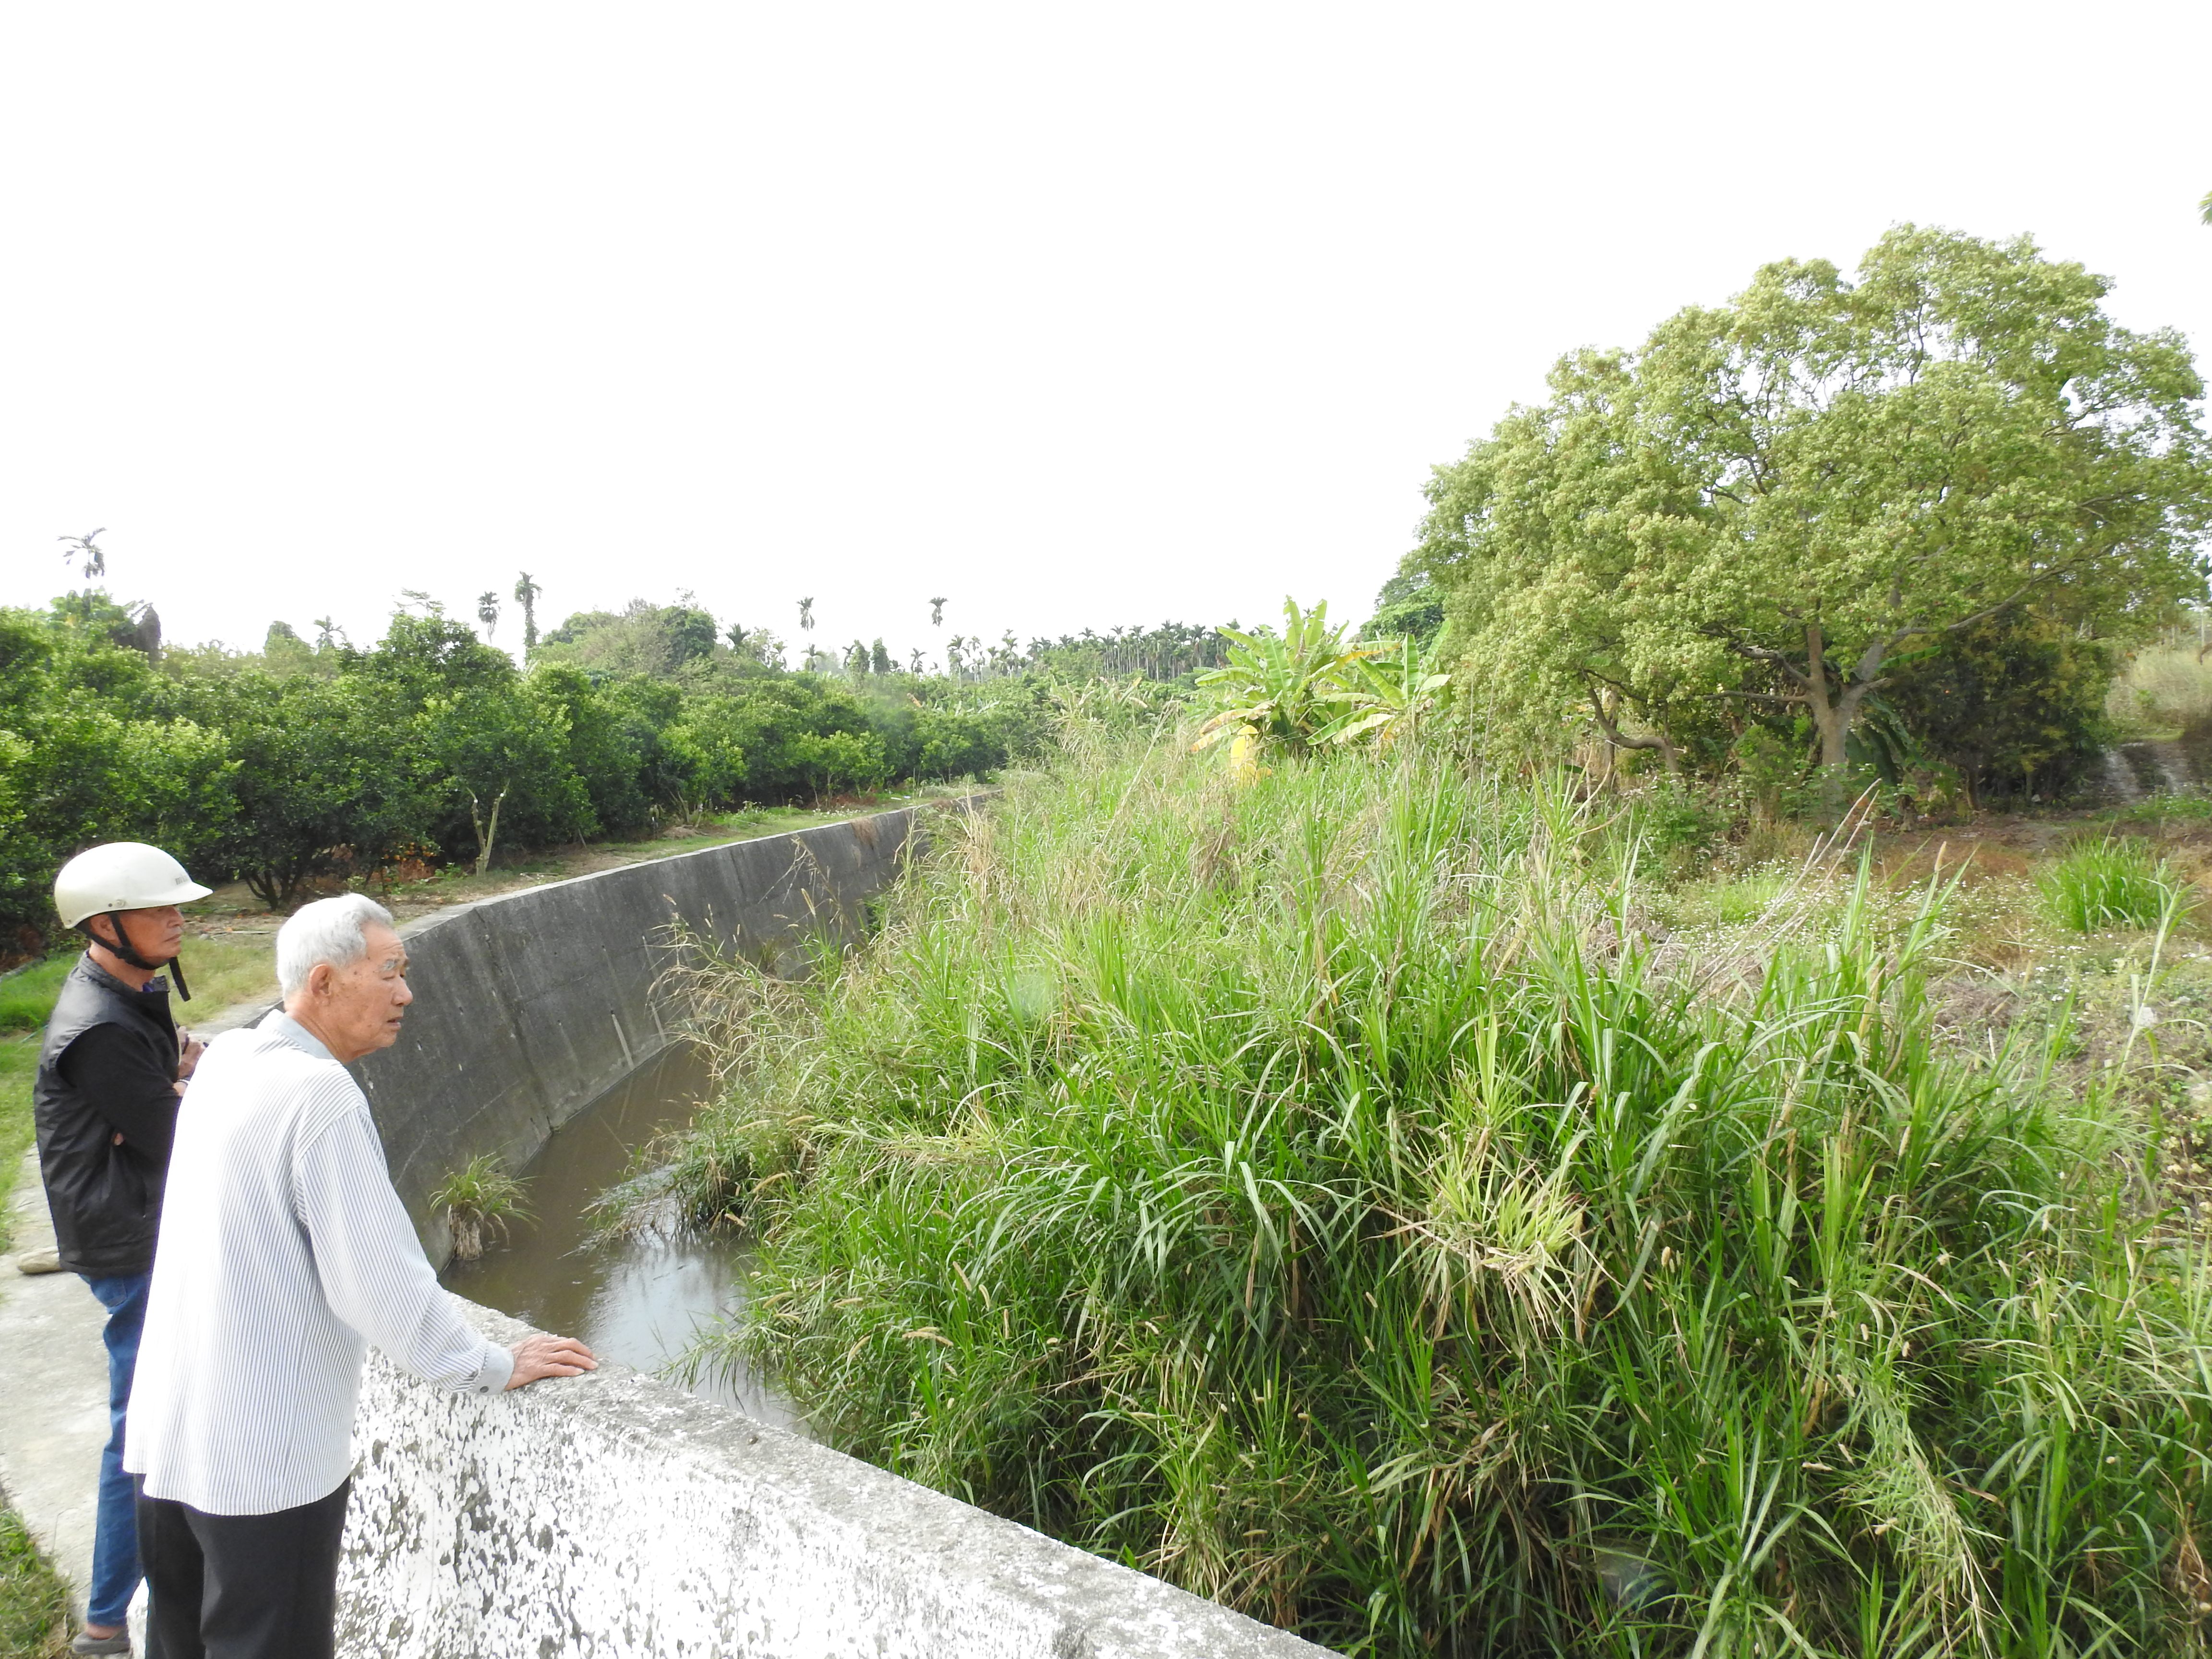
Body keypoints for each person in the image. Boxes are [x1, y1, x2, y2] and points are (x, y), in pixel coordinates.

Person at [124, 893, 596, 1659]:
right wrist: (491, 1363)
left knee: (178, 1640)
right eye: (389, 972)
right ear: (323, 983)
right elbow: (379, 1284)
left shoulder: (232, 1062)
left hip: (170, 1441)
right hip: (264, 1467)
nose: (407, 993)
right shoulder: (321, 1097)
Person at [35, 842, 213, 1656]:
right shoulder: (100, 1023)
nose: (179, 918)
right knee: (136, 1430)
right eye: (159, 909)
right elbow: (179, 1134)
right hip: (127, 1236)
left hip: (139, 1209)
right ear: (105, 925)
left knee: (156, 1414)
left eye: (179, 905)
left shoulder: (132, 989)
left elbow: (156, 1108)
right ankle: (107, 1621)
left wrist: (170, 1086)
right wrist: (176, 1095)